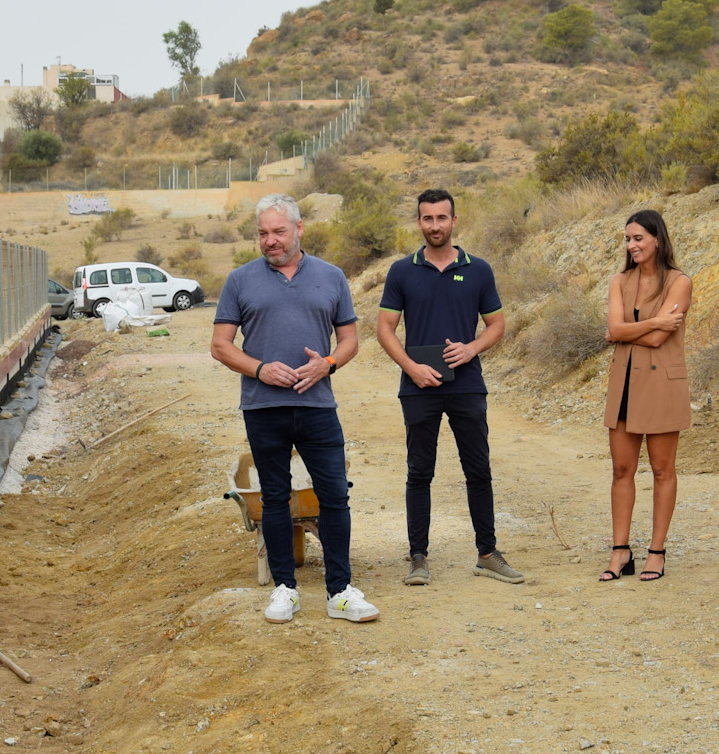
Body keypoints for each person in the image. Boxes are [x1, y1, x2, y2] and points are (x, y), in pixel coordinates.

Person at [210, 193, 381, 624]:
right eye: (263, 233)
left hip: (318, 405)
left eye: (279, 232)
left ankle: (340, 592)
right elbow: (220, 346)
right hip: (263, 407)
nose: (270, 240)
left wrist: (327, 364)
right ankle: (285, 589)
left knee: (335, 496)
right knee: (273, 498)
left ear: (299, 229)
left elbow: (349, 341)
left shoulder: (332, 276)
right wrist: (261, 369)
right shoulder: (239, 280)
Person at [375, 188, 524, 587]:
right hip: (417, 387)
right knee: (418, 472)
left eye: (442, 218)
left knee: (478, 470)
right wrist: (412, 368)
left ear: (454, 221)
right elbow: (384, 330)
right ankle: (418, 558)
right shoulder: (401, 271)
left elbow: (497, 325)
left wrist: (471, 347)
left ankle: (488, 554)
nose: (435, 225)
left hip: (467, 386)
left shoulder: (479, 270)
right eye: (428, 218)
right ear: (419, 222)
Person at [600, 210, 692, 583]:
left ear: (657, 239)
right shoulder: (619, 281)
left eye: (638, 238)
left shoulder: (679, 281)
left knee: (661, 470)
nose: (632, 245)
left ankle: (657, 552)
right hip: (624, 384)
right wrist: (654, 321)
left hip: (662, 385)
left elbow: (653, 340)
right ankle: (620, 551)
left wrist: (623, 333)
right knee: (621, 470)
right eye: (627, 239)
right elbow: (621, 328)